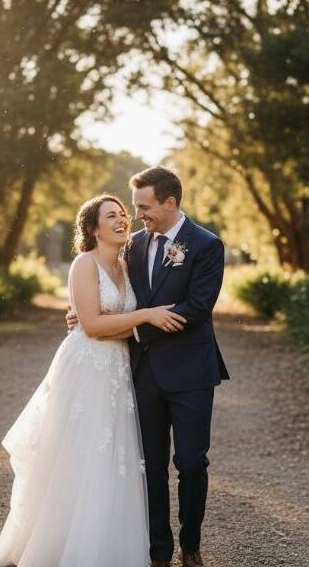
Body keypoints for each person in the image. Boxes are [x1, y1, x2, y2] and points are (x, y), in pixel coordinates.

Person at [0, 194, 187, 567]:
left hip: (118, 370)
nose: (122, 220)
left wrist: (124, 322)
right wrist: (143, 316)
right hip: (85, 369)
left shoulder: (129, 267)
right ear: (93, 228)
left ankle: (104, 543)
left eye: (124, 214)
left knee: (114, 457)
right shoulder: (83, 264)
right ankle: (61, 544)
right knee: (77, 454)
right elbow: (92, 326)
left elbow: (106, 323)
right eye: (111, 215)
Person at [67, 166, 229, 567]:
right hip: (141, 374)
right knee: (149, 466)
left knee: (191, 462)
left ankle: (190, 545)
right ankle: (158, 552)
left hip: (191, 371)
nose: (136, 215)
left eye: (144, 206)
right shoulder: (133, 246)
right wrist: (84, 319)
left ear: (170, 203)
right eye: (134, 206)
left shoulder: (206, 245)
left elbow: (196, 308)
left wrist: (133, 325)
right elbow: (110, 297)